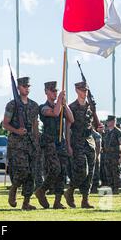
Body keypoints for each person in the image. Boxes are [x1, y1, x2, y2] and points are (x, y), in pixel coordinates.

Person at [2, 77, 40, 211]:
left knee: (31, 173)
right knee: (22, 170)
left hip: (31, 142)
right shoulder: (12, 105)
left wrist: (37, 141)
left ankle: (26, 202)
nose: (27, 88)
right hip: (17, 143)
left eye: (28, 86)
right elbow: (5, 124)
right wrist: (17, 130)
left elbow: (35, 125)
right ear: (18, 88)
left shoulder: (34, 105)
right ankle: (13, 189)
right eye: (24, 86)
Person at [35, 81, 74, 209]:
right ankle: (42, 190)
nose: (54, 93)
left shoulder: (60, 105)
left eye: (56, 91)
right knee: (55, 169)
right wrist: (59, 101)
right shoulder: (43, 107)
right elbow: (55, 113)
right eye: (52, 91)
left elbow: (71, 119)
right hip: (49, 142)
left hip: (60, 142)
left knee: (62, 171)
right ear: (46, 92)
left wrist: (65, 104)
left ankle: (57, 201)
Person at [64, 82, 103, 209]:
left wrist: (99, 127)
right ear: (76, 90)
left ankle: (85, 200)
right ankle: (70, 190)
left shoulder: (91, 107)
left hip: (89, 141)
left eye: (86, 89)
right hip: (77, 142)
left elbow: (94, 125)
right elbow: (68, 128)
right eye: (82, 89)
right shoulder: (72, 107)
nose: (84, 92)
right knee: (82, 171)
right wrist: (68, 145)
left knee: (91, 171)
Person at [100, 115, 121, 194]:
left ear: (113, 121)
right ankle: (110, 187)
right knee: (108, 172)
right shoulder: (107, 132)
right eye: (107, 121)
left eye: (109, 121)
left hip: (115, 155)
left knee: (116, 172)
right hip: (107, 155)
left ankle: (116, 188)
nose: (107, 122)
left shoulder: (118, 132)